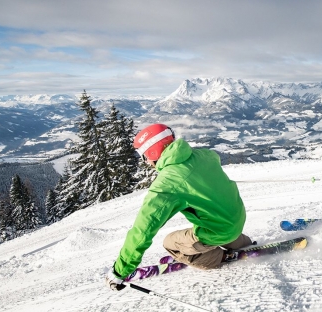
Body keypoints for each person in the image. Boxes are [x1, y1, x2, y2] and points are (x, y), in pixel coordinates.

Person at [105, 123, 252, 291]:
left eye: (144, 156)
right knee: (210, 221)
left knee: (171, 243)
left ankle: (221, 256)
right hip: (237, 216)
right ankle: (243, 243)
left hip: (220, 229)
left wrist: (119, 271)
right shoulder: (204, 155)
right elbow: (214, 160)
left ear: (152, 152)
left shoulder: (167, 184)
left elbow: (143, 230)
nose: (146, 162)